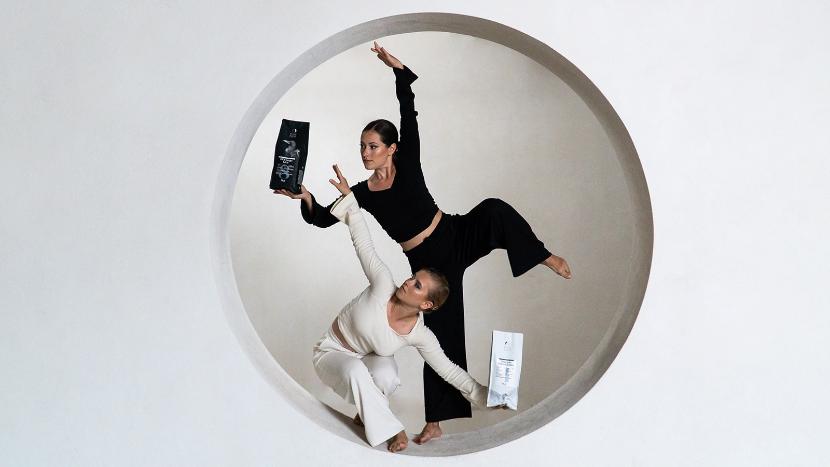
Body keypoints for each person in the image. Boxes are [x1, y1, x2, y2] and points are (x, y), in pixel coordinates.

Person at [276, 42, 572, 444]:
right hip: (428, 263)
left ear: (391, 148)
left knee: (494, 209)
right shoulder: (361, 192)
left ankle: (542, 255)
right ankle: (436, 421)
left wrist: (399, 72)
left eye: (372, 146)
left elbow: (408, 113)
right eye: (362, 146)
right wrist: (306, 197)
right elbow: (324, 218)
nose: (365, 153)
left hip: (452, 232)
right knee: (439, 338)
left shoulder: (408, 158)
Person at [312, 170, 495, 452]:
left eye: (417, 285)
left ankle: (367, 413)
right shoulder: (383, 284)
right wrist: (349, 200)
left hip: (366, 359)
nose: (408, 282)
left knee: (388, 375)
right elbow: (364, 245)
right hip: (332, 351)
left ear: (426, 305)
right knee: (356, 371)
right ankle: (392, 429)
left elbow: (449, 370)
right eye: (413, 277)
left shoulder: (419, 334)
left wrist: (486, 396)